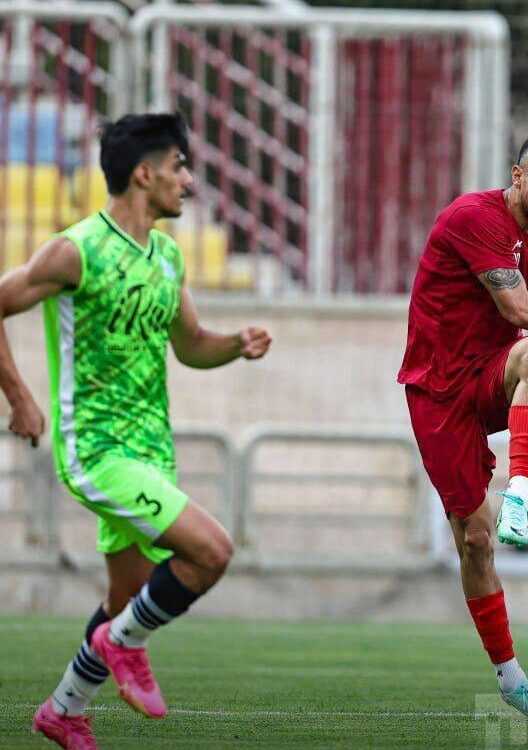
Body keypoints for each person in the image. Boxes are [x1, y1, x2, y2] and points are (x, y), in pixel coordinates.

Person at [0, 113, 272, 749]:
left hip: (152, 450)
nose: (189, 180)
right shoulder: (76, 250)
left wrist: (235, 344)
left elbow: (191, 345)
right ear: (144, 174)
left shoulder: (168, 256)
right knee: (211, 552)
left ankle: (64, 710)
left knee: (127, 597)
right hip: (96, 450)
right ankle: (121, 646)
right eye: (179, 166)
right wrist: (20, 398)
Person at [397, 133, 528, 719]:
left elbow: (517, 328)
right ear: (518, 176)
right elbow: (515, 307)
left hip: (488, 375)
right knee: (475, 539)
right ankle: (512, 679)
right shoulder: (473, 216)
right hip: (438, 390)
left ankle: (519, 494)